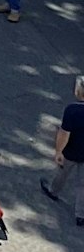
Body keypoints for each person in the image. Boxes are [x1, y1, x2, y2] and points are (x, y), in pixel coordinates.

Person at [40, 74, 84, 225]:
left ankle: (53, 191)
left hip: (71, 151)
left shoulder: (72, 110)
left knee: (62, 173)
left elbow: (64, 134)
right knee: (83, 184)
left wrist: (59, 151)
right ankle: (81, 214)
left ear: (79, 91)